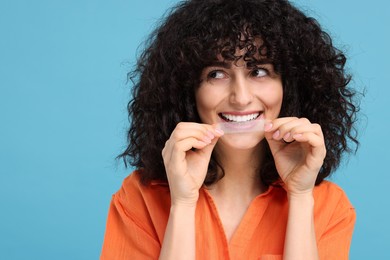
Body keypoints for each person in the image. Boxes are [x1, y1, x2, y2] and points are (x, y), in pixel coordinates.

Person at [101, 0, 359, 259]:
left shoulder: (329, 207)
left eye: (258, 71)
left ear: (290, 86)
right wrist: (182, 203)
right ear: (187, 90)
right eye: (216, 74)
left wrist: (300, 196)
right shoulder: (139, 200)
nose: (241, 97)